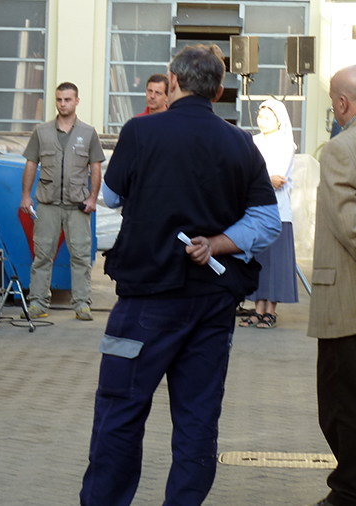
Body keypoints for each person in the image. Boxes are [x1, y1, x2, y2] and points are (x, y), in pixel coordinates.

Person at [81, 44, 280, 506]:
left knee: (121, 410)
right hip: (212, 299)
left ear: (172, 83)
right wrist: (216, 243)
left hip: (145, 299)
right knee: (197, 419)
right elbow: (267, 221)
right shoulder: (240, 142)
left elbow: (110, 197)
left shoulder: (140, 131)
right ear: (220, 91)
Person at [307, 64, 356, 506]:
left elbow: (352, 229)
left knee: (345, 403)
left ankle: (350, 491)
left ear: (341, 103)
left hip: (350, 300)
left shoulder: (342, 148)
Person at [19, 82, 105, 321]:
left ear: (77, 101)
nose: (63, 104)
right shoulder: (42, 131)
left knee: (81, 255)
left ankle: (82, 304)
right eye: (59, 99)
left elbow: (96, 167)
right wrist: (26, 195)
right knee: (42, 254)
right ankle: (37, 302)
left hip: (78, 204)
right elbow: (31, 164)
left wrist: (93, 198)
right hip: (48, 203)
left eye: (68, 99)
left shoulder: (88, 133)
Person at [238, 99, 300, 329]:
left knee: (275, 263)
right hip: (253, 210)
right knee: (256, 260)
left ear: (279, 120)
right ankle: (257, 310)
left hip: (278, 212)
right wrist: (262, 178)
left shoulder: (286, 144)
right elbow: (246, 173)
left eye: (268, 117)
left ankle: (271, 311)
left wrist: (255, 179)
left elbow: (278, 178)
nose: (262, 121)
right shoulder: (252, 142)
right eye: (260, 116)